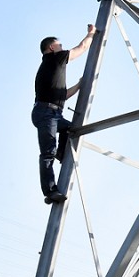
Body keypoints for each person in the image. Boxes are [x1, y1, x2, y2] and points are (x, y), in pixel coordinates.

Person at [32, 24, 96, 204]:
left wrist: (79, 85)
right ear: (52, 47)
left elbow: (63, 95)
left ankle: (61, 154)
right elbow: (81, 48)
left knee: (70, 129)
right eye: (60, 45)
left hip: (52, 112)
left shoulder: (49, 66)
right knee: (47, 153)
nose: (62, 47)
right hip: (46, 113)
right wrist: (90, 34)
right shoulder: (55, 58)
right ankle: (50, 191)